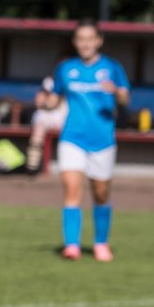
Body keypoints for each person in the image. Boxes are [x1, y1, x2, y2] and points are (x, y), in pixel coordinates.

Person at [45, 20, 130, 262]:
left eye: (89, 38)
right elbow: (54, 99)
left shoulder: (112, 67)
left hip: (102, 139)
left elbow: (125, 99)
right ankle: (72, 245)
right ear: (75, 42)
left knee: (101, 193)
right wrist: (43, 101)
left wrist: (116, 91)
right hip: (72, 137)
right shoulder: (66, 69)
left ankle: (100, 243)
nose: (85, 43)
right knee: (72, 188)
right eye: (80, 39)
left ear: (98, 41)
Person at [26, 76, 67, 174]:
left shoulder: (64, 86)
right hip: (44, 116)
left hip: (60, 117)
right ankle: (32, 167)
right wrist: (45, 99)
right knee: (37, 137)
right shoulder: (45, 88)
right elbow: (39, 104)